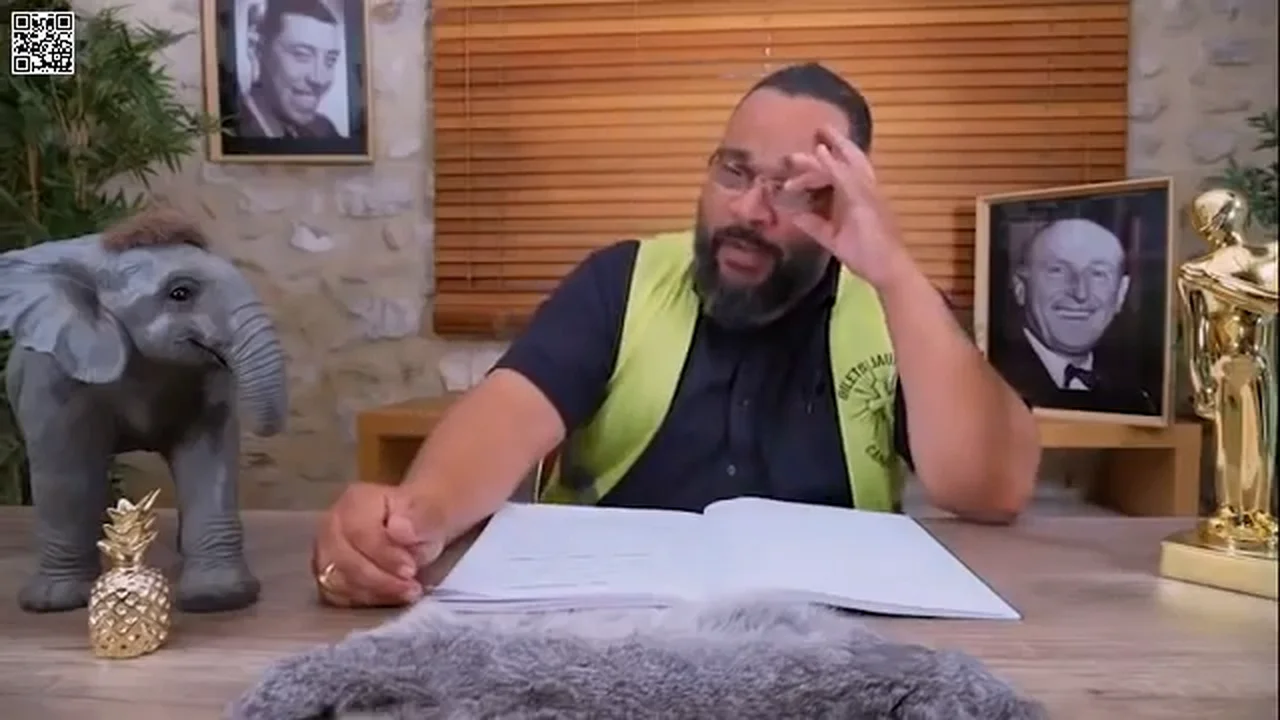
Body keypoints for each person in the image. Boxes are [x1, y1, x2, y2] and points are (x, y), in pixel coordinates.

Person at [311, 63, 1042, 608]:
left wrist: (894, 271)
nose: (750, 210)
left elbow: (992, 490)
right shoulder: (620, 281)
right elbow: (505, 418)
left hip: (834, 649)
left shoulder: (894, 307)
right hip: (596, 636)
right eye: (734, 171)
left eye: (794, 190)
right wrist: (415, 520)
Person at [997, 217, 1156, 415]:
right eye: (1058, 271)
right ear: (1020, 287)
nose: (1080, 293)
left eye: (1097, 274)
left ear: (1121, 293)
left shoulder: (1136, 395)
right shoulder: (992, 383)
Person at [237, 0, 343, 139]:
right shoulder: (229, 127)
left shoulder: (324, 130)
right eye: (302, 54)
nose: (319, 79)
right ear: (256, 49)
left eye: (330, 60)